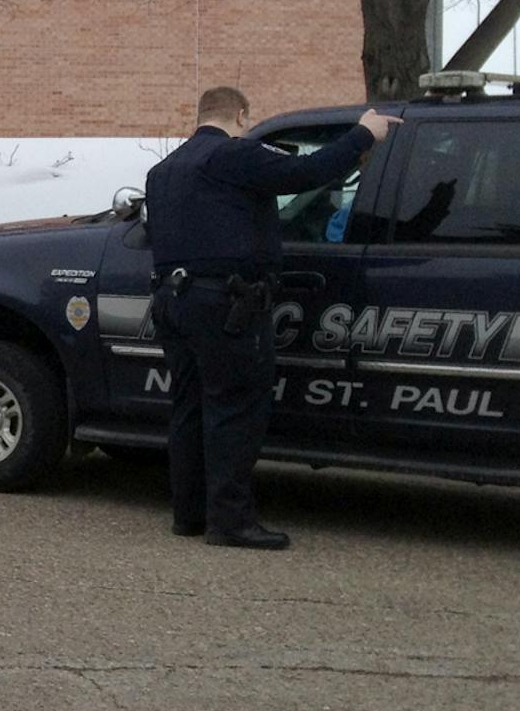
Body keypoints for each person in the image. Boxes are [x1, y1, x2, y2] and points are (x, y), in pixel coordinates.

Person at [145, 85, 400, 550]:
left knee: (190, 407)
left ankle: (189, 514)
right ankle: (231, 522)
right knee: (234, 411)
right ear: (241, 114)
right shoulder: (233, 156)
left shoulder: (164, 171)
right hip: (225, 305)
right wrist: (364, 134)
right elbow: (305, 172)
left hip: (173, 301)